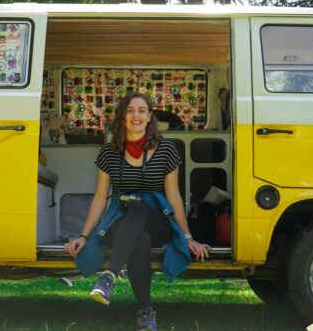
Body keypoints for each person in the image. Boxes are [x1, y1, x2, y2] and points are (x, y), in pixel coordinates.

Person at [64, 93, 211, 331]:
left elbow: (174, 196)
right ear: (122, 117)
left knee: (139, 206)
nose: (136, 116)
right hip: (120, 221)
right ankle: (145, 310)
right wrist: (83, 235)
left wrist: (187, 237)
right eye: (130, 111)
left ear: (149, 116)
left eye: (142, 110)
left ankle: (109, 276)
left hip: (157, 220)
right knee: (140, 239)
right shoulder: (109, 152)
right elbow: (100, 198)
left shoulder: (166, 150)